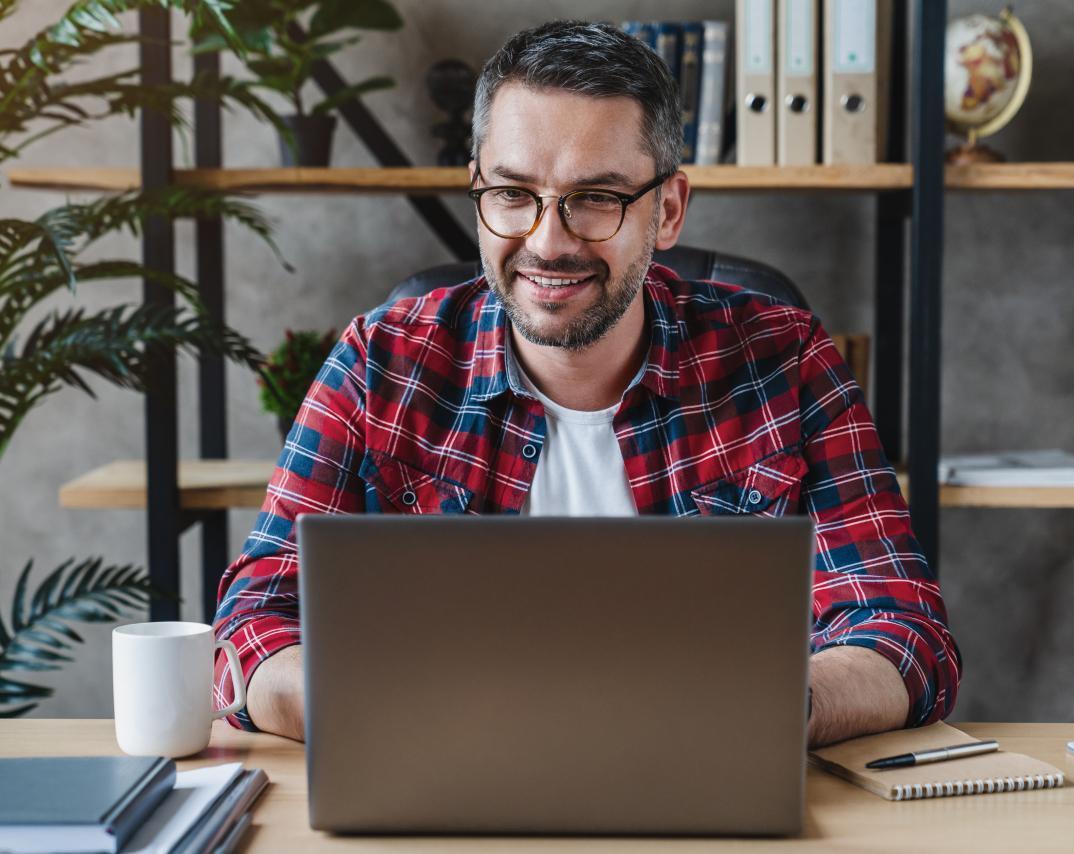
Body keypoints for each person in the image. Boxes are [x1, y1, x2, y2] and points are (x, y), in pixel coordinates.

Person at [212, 20, 960, 748]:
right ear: (477, 191)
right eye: (512, 194)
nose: (547, 241)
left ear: (666, 209)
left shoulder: (783, 360)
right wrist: (392, 713)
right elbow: (255, 622)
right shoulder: (381, 365)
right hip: (441, 786)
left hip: (707, 792)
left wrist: (769, 713)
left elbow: (902, 627)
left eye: (596, 198)